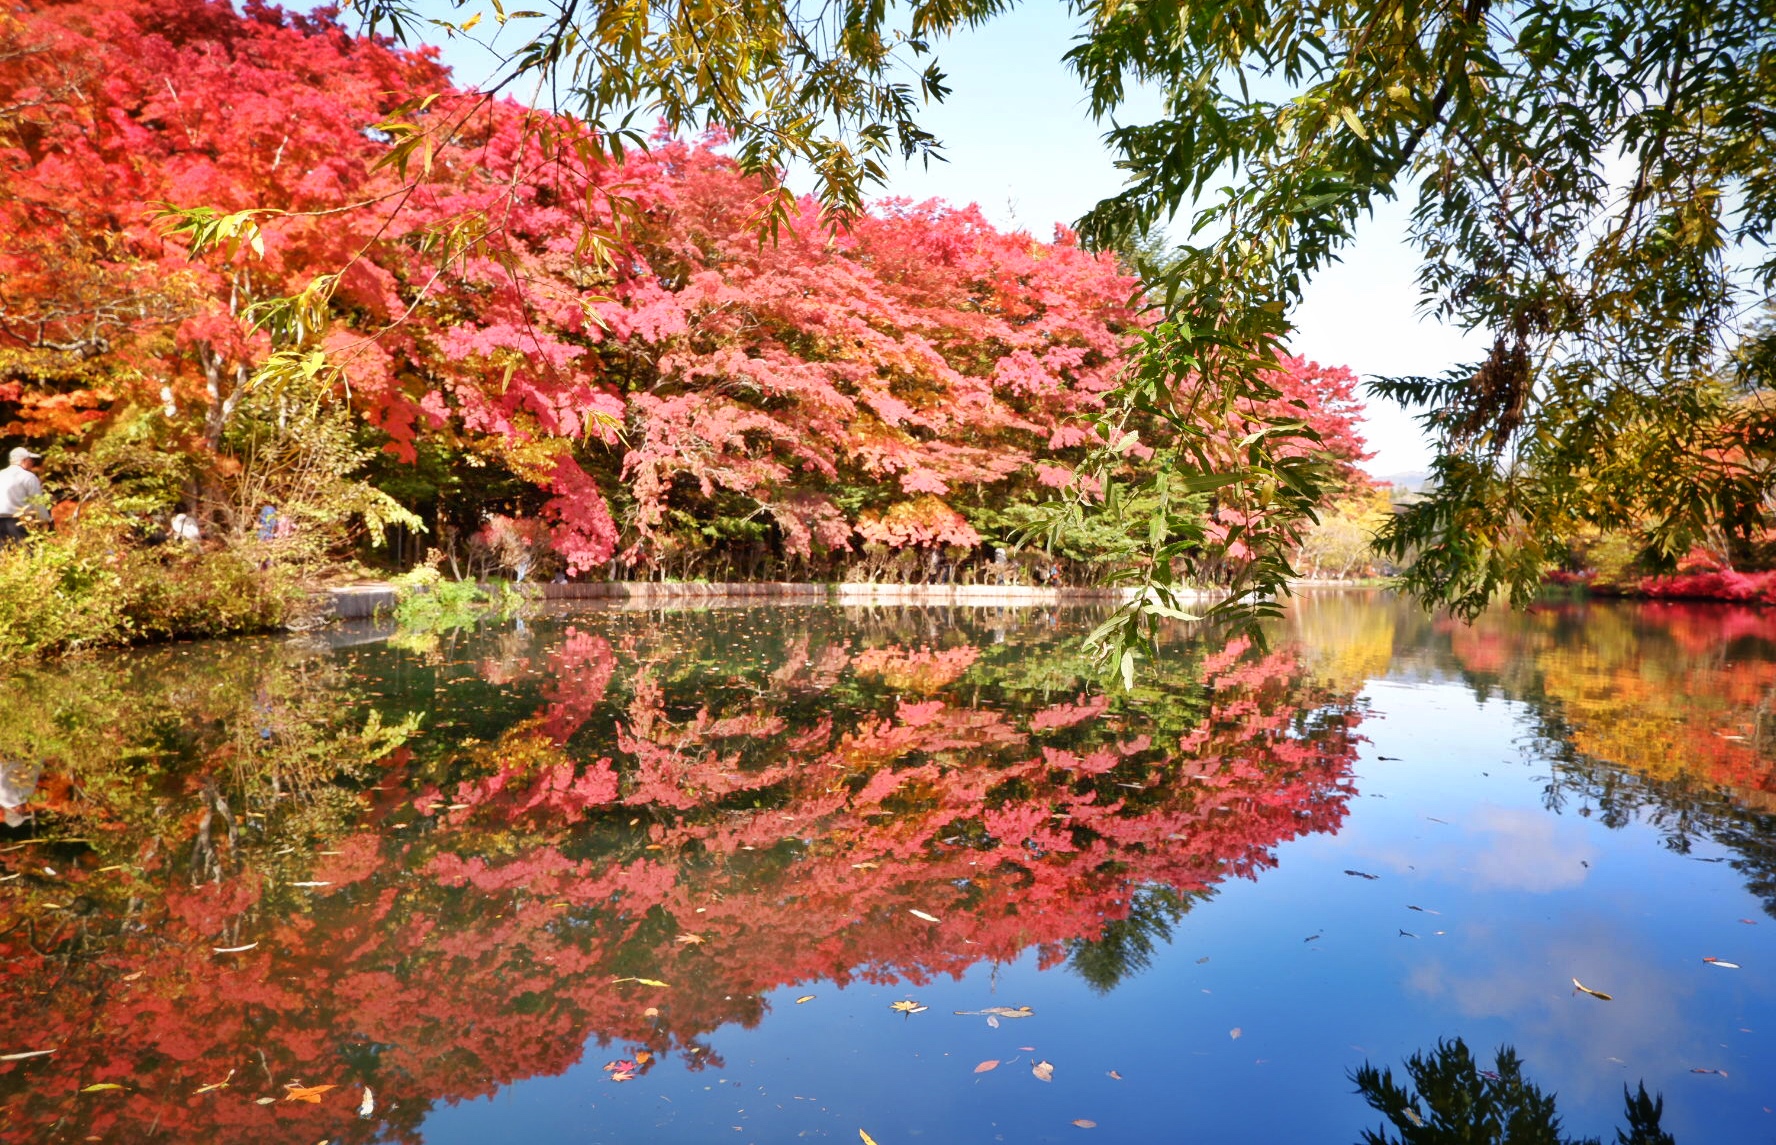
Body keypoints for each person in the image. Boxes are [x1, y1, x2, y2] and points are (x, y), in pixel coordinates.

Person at [0, 446, 47, 546]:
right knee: (25, 552)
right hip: (19, 521)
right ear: (24, 461)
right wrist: (44, 520)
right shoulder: (28, 477)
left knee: (3, 555)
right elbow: (37, 501)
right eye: (31, 460)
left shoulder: (1, 474)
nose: (32, 463)